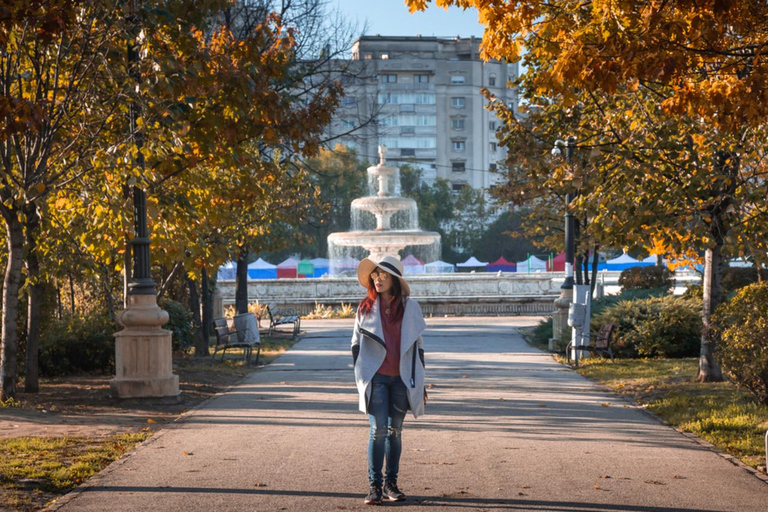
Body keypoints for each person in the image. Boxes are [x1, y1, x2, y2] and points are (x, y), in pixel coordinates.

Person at [350, 255, 427, 505]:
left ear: (394, 278)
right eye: (374, 275)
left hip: (402, 379)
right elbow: (355, 345)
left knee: (395, 432)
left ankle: (390, 484)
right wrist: (362, 376)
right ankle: (374, 486)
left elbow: (418, 348)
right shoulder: (365, 308)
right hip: (377, 378)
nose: (378, 279)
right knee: (378, 431)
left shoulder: (410, 307)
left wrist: (420, 381)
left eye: (382, 275)